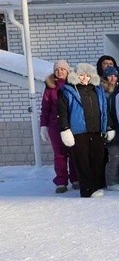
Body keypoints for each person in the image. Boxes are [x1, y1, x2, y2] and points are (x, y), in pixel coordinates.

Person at [56, 63, 110, 198]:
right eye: (81, 75)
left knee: (97, 159)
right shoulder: (67, 91)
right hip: (79, 132)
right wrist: (65, 129)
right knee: (82, 162)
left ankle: (95, 187)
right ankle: (86, 190)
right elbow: (62, 113)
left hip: (97, 130)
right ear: (76, 75)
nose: (84, 78)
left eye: (87, 75)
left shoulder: (98, 90)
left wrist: (109, 126)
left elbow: (105, 110)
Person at [40, 60, 78, 193]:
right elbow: (45, 108)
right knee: (60, 154)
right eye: (57, 69)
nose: (60, 71)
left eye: (62, 69)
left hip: (72, 123)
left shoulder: (74, 84)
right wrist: (43, 125)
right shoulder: (50, 87)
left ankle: (76, 179)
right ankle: (61, 181)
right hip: (55, 125)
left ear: (68, 71)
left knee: (74, 152)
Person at [100, 66, 119, 190]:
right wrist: (108, 126)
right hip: (110, 128)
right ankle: (111, 181)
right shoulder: (103, 92)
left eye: (115, 76)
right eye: (110, 75)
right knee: (115, 156)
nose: (113, 78)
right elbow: (103, 112)